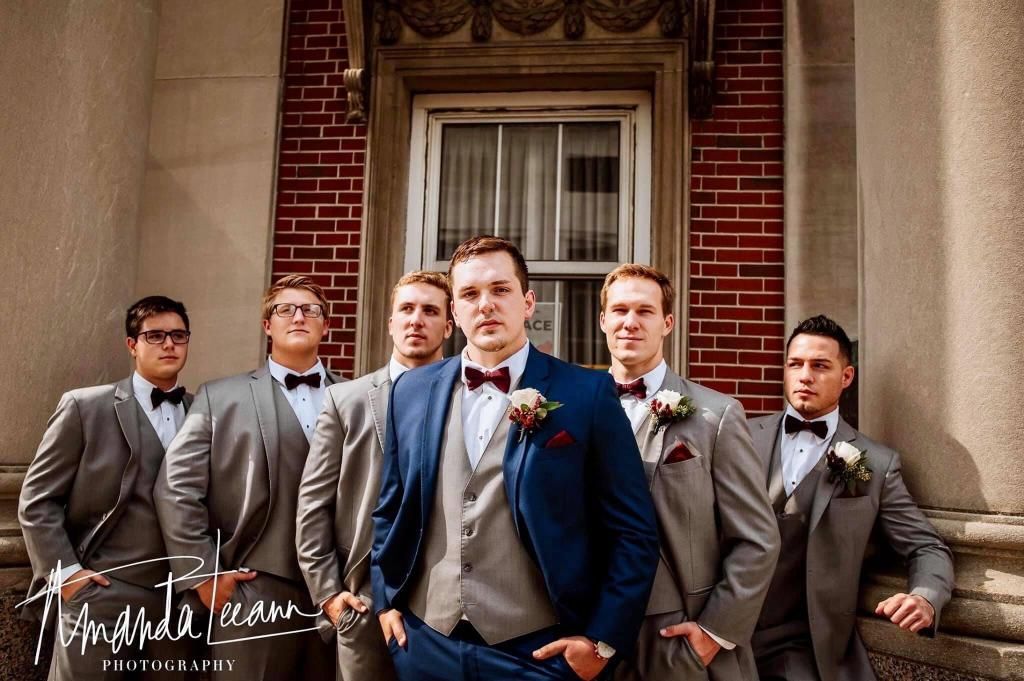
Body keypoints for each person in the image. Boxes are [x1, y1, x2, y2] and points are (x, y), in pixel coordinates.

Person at [372, 236, 660, 681]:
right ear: (455, 312)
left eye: (500, 289)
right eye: (470, 294)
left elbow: (633, 531)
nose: (485, 304)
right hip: (425, 644)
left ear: (527, 303)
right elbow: (390, 507)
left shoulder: (586, 393)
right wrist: (385, 601)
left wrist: (601, 641)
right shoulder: (410, 391)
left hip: (540, 652)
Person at [749, 315, 954, 681]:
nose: (805, 376)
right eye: (795, 364)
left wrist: (924, 597)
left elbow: (927, 546)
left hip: (803, 648)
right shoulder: (739, 437)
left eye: (820, 366)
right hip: (718, 636)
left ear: (846, 377)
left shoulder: (876, 464)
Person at [600, 264, 780, 681]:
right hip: (590, 631)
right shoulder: (572, 409)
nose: (630, 322)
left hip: (676, 632)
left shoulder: (716, 416)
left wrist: (714, 631)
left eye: (645, 311)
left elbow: (758, 537)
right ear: (603, 320)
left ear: (667, 323)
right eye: (620, 310)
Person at [155, 275, 340, 680]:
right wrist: (203, 574)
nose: (298, 317)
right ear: (267, 325)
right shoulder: (220, 397)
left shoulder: (356, 397)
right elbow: (175, 488)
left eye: (310, 310)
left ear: (326, 325)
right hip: (252, 588)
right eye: (285, 310)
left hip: (338, 593)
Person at [19, 295, 197, 680]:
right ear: (132, 345)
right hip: (100, 593)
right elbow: (37, 500)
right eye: (155, 336)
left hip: (177, 606)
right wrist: (68, 576)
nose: (169, 344)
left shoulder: (203, 411)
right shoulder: (85, 407)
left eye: (178, 335)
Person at [296, 270, 453, 681]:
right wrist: (329, 594)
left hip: (447, 597)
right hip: (362, 598)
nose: (416, 320)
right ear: (390, 322)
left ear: (449, 326)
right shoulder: (344, 400)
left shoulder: (468, 400)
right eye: (407, 309)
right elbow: (313, 503)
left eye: (430, 311)